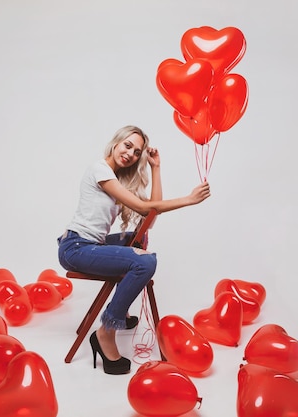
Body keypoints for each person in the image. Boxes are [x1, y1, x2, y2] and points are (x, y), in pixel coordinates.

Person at [57, 125, 210, 375]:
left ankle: (121, 309)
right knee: (145, 262)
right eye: (127, 145)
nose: (130, 154)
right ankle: (107, 329)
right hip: (75, 248)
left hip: (89, 244)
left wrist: (155, 168)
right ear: (116, 143)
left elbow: (150, 212)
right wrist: (188, 199)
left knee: (137, 240)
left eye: (137, 152)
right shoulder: (100, 169)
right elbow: (142, 207)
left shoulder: (118, 180)